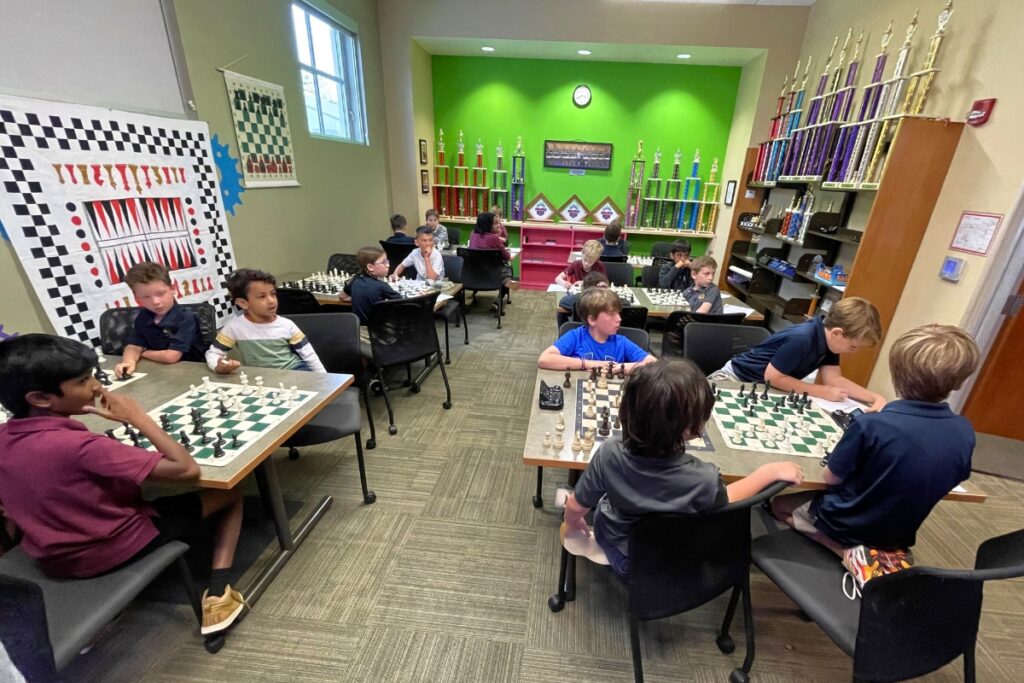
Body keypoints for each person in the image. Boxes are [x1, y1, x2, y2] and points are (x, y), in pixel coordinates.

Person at [0, 334, 247, 635]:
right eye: (81, 381)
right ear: (39, 398)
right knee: (232, 492)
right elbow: (187, 469)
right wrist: (138, 418)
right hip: (109, 549)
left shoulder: (4, 437)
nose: (95, 386)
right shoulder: (80, 446)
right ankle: (219, 594)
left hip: (49, 555)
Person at [562, 359, 804, 576]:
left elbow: (575, 506)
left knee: (597, 500)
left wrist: (573, 522)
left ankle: (601, 547)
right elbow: (728, 498)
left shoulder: (609, 454)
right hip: (678, 557)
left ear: (626, 410)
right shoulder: (703, 478)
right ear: (695, 428)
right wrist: (767, 472)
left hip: (624, 553)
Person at [770, 325, 979, 573]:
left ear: (895, 375)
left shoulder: (871, 425)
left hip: (843, 522)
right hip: (897, 532)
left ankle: (844, 551)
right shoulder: (964, 430)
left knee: (777, 504)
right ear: (959, 384)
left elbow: (830, 478)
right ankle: (875, 552)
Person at [719, 297, 887, 410]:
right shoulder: (803, 338)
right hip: (736, 379)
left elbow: (835, 380)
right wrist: (821, 391)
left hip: (765, 388)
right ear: (837, 333)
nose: (854, 352)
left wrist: (874, 397)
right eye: (853, 347)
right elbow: (773, 377)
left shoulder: (830, 341)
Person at [206, 269, 326, 373]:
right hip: (263, 377)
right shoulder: (234, 328)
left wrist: (323, 379)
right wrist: (218, 366)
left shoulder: (287, 325)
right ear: (243, 303)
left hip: (295, 370)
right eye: (262, 296)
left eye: (273, 294)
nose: (271, 301)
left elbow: (309, 356)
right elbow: (213, 353)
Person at [114, 261, 205, 379]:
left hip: (192, 374)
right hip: (159, 372)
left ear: (173, 289)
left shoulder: (185, 318)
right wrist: (129, 362)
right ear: (137, 298)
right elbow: (133, 346)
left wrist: (142, 352)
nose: (155, 302)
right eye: (146, 297)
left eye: (161, 294)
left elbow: (171, 356)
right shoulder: (143, 317)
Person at [539, 288, 656, 374]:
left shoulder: (621, 342)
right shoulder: (576, 337)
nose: (619, 319)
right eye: (611, 315)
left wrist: (620, 367)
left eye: (618, 314)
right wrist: (588, 363)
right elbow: (544, 359)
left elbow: (653, 364)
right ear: (592, 320)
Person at [339, 246, 402, 325]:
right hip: (378, 331)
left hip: (358, 329)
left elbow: (342, 297)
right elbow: (401, 303)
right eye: (384, 262)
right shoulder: (382, 286)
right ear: (370, 267)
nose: (388, 265)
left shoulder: (354, 280)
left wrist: (360, 298)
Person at [469, 211, 515, 284]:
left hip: (473, 275)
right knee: (508, 269)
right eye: (495, 223)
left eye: (498, 223)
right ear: (487, 225)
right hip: (492, 276)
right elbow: (507, 257)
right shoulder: (494, 238)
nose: (498, 226)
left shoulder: (473, 234)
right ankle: (512, 286)